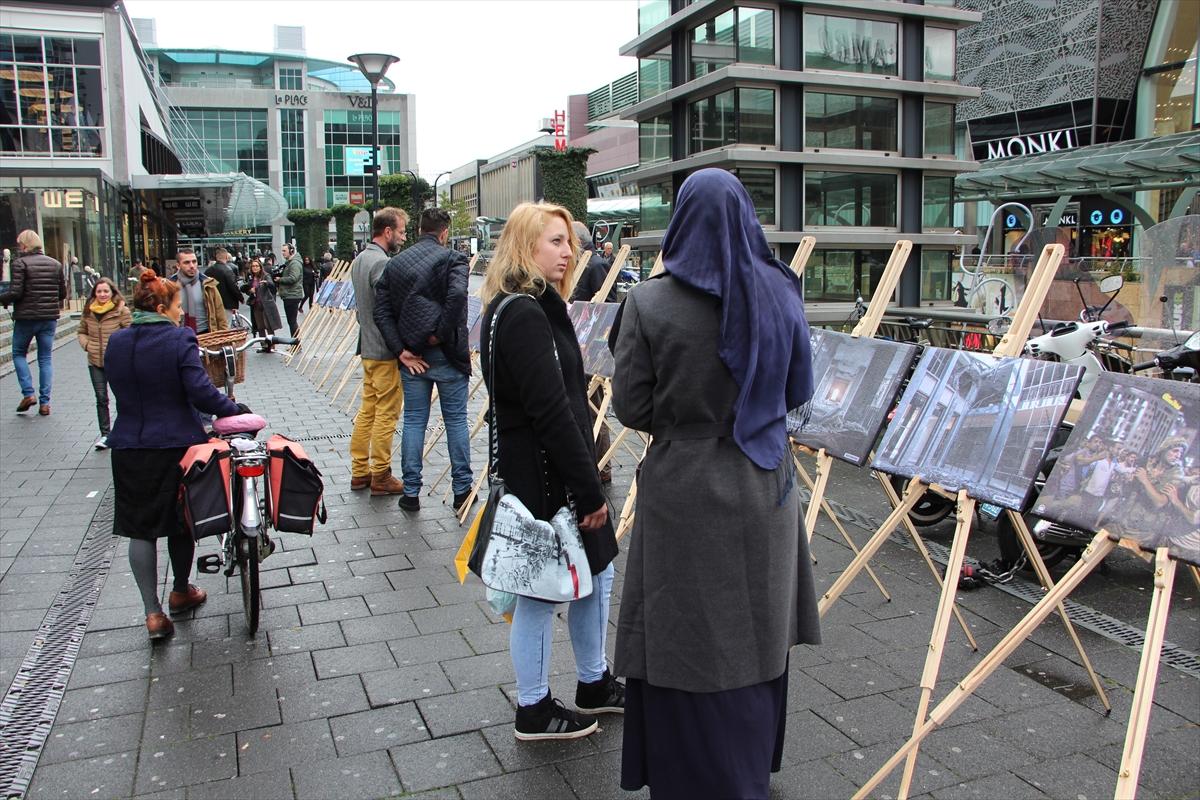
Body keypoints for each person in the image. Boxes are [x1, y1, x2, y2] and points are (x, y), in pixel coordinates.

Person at [610, 169, 820, 799]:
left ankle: (684, 774)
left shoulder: (648, 303)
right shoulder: (782, 290)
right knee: (756, 629)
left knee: (682, 631)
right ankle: (749, 766)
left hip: (685, 487)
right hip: (764, 483)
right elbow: (799, 390)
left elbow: (631, 406)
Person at [480, 201, 622, 741]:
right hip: (543, 477)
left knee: (597, 574)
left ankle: (594, 682)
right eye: (556, 242)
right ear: (524, 245)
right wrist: (589, 492)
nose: (569, 252)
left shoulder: (519, 306)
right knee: (539, 593)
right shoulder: (523, 312)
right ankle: (533, 709)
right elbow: (552, 411)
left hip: (543, 468)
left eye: (570, 242)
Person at [104, 269, 247, 640]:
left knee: (140, 529)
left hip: (130, 446)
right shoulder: (179, 338)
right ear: (164, 307)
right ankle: (181, 591)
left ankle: (152, 613)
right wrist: (233, 409)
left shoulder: (117, 342)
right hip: (175, 446)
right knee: (181, 521)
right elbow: (200, 392)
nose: (181, 312)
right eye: (178, 305)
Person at [374, 208, 473, 512]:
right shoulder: (452, 258)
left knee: (415, 420)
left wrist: (400, 349)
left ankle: (411, 493)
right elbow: (457, 296)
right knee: (455, 419)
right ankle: (461, 491)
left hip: (412, 355)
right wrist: (440, 335)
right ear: (444, 232)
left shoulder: (395, 263)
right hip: (446, 354)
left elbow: (382, 311)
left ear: (419, 229)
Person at [349, 207, 408, 495]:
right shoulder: (381, 263)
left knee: (368, 411)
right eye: (401, 231)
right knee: (386, 413)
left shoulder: (360, 259)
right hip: (384, 350)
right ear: (387, 232)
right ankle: (381, 474)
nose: (403, 237)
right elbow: (388, 310)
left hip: (368, 347)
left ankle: (360, 470)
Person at [1, 230, 67, 415]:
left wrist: (3, 299)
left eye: (19, 244)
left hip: (26, 318)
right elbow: (62, 294)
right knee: (45, 358)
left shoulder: (20, 263)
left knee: (18, 353)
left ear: (24, 245)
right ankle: (45, 403)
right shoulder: (55, 264)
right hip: (48, 319)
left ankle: (28, 393)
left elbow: (16, 292)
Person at [77, 277, 132, 449]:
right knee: (101, 398)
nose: (102, 294)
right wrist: (87, 345)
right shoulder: (88, 311)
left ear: (112, 293)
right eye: (99, 291)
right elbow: (81, 331)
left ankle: (124, 431)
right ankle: (105, 435)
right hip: (94, 361)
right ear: (94, 293)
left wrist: (121, 350)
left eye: (105, 291)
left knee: (123, 398)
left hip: (116, 361)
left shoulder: (121, 310)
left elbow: (130, 332)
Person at [169, 247, 226, 335]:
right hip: (179, 336)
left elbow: (220, 314)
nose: (192, 266)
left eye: (194, 261)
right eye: (186, 262)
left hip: (206, 335)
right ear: (178, 265)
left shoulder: (208, 283)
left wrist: (224, 337)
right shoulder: (170, 285)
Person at [569, 222, 616, 303]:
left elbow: (607, 304)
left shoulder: (597, 265)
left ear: (577, 242)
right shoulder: (578, 262)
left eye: (567, 241)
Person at [241, 258, 281, 351]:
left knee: (268, 325)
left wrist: (266, 283)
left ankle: (272, 344)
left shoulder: (265, 276)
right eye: (253, 266)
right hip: (256, 304)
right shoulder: (251, 277)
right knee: (260, 326)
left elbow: (272, 285)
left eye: (257, 266)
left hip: (266, 304)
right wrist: (249, 291)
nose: (255, 268)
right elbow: (246, 288)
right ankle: (264, 345)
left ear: (260, 267)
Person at [206, 247, 242, 325]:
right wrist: (240, 298)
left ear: (216, 257)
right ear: (226, 257)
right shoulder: (227, 270)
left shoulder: (208, 271)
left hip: (212, 303)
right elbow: (233, 287)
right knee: (225, 325)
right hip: (226, 304)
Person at [276, 242, 304, 337]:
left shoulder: (294, 263)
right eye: (282, 251)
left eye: (284, 251)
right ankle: (295, 343)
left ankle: (296, 343)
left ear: (291, 251)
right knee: (291, 321)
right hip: (290, 294)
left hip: (292, 295)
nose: (282, 253)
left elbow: (293, 278)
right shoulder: (290, 263)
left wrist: (280, 279)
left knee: (292, 321)